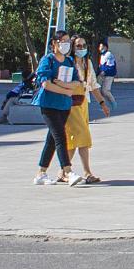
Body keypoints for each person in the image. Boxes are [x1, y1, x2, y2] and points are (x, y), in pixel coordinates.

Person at [32, 34, 82, 186]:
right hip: (49, 104)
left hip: (64, 105)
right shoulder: (47, 60)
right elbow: (46, 84)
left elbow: (76, 82)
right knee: (60, 136)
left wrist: (64, 86)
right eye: (63, 41)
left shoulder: (69, 61)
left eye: (68, 41)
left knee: (52, 139)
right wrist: (66, 90)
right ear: (54, 43)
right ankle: (68, 171)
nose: (66, 44)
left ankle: (41, 173)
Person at [65, 38, 112, 186]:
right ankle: (86, 172)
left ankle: (64, 171)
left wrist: (102, 103)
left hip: (83, 103)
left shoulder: (87, 63)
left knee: (74, 140)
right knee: (82, 136)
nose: (81, 48)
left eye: (84, 45)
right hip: (71, 104)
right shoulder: (68, 63)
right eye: (78, 46)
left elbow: (93, 85)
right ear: (72, 47)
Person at [96, 41, 119, 110]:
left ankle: (113, 103)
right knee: (100, 91)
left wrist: (105, 71)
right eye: (99, 47)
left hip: (109, 75)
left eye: (101, 47)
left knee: (105, 91)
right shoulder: (102, 55)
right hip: (102, 75)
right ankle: (104, 106)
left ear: (105, 47)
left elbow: (110, 65)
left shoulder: (109, 54)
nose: (100, 48)